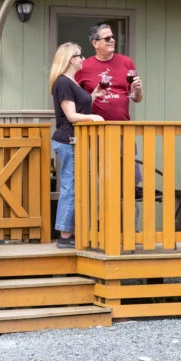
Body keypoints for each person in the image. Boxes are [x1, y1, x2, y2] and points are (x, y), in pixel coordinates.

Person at [76, 24, 147, 195]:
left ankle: (128, 219)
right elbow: (75, 101)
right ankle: (102, 218)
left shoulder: (126, 62)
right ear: (95, 43)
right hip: (95, 132)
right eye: (107, 38)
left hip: (124, 130)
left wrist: (137, 90)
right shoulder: (84, 66)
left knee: (129, 179)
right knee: (100, 178)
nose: (112, 40)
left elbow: (136, 98)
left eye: (113, 37)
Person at [49, 43, 104, 248]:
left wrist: (93, 97)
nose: (83, 58)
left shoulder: (71, 81)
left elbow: (75, 105)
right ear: (71, 59)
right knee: (69, 186)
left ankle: (68, 233)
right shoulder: (63, 82)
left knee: (73, 185)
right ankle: (64, 236)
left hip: (73, 141)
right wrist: (94, 117)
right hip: (68, 140)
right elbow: (71, 116)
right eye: (80, 56)